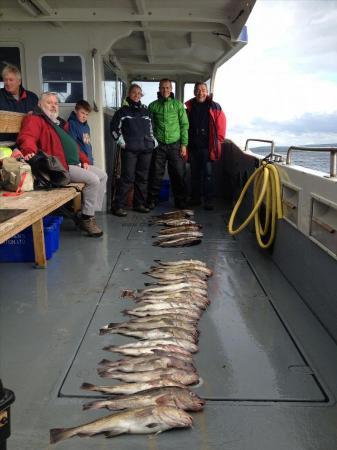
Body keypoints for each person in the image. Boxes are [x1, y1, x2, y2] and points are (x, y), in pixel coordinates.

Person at [16, 92, 106, 237]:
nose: (53, 106)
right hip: (60, 167)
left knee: (102, 175)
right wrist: (29, 151)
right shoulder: (35, 119)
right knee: (93, 180)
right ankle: (87, 218)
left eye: (56, 103)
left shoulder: (57, 123)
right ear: (40, 105)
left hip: (75, 163)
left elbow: (73, 145)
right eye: (49, 103)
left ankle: (87, 213)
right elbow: (27, 136)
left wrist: (84, 159)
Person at [110, 84, 156, 217]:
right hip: (130, 150)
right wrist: (121, 142)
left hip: (146, 149)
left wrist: (153, 141)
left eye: (139, 93)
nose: (136, 95)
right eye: (134, 93)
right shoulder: (122, 112)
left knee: (142, 178)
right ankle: (117, 206)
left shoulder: (146, 111)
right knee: (127, 178)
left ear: (141, 95)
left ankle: (139, 204)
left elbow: (151, 128)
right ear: (129, 94)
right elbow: (113, 129)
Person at [147, 79, 189, 209]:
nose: (165, 90)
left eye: (167, 87)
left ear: (171, 89)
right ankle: (152, 200)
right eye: (162, 87)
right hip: (158, 145)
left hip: (175, 145)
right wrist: (151, 141)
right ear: (159, 89)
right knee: (155, 173)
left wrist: (184, 144)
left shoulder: (178, 105)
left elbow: (184, 125)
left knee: (178, 173)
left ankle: (180, 201)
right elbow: (149, 125)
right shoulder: (153, 106)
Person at [185, 82, 226, 210]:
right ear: (194, 92)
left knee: (208, 176)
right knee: (194, 175)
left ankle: (208, 201)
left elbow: (221, 126)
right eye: (198, 90)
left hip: (207, 148)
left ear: (207, 92)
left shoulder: (215, 107)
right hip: (192, 147)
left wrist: (217, 142)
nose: (200, 92)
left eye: (203, 90)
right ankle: (195, 199)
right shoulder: (189, 107)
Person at [0, 64, 38, 143]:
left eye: (11, 80)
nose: (7, 83)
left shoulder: (32, 97)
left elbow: (39, 118)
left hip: (27, 141)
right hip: (4, 142)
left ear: (19, 81)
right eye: (5, 80)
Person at [67, 100, 96, 165]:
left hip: (88, 161)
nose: (84, 116)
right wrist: (81, 161)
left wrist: (90, 159)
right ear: (76, 110)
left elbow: (87, 144)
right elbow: (72, 145)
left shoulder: (86, 126)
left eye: (87, 114)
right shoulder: (72, 124)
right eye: (82, 113)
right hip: (80, 162)